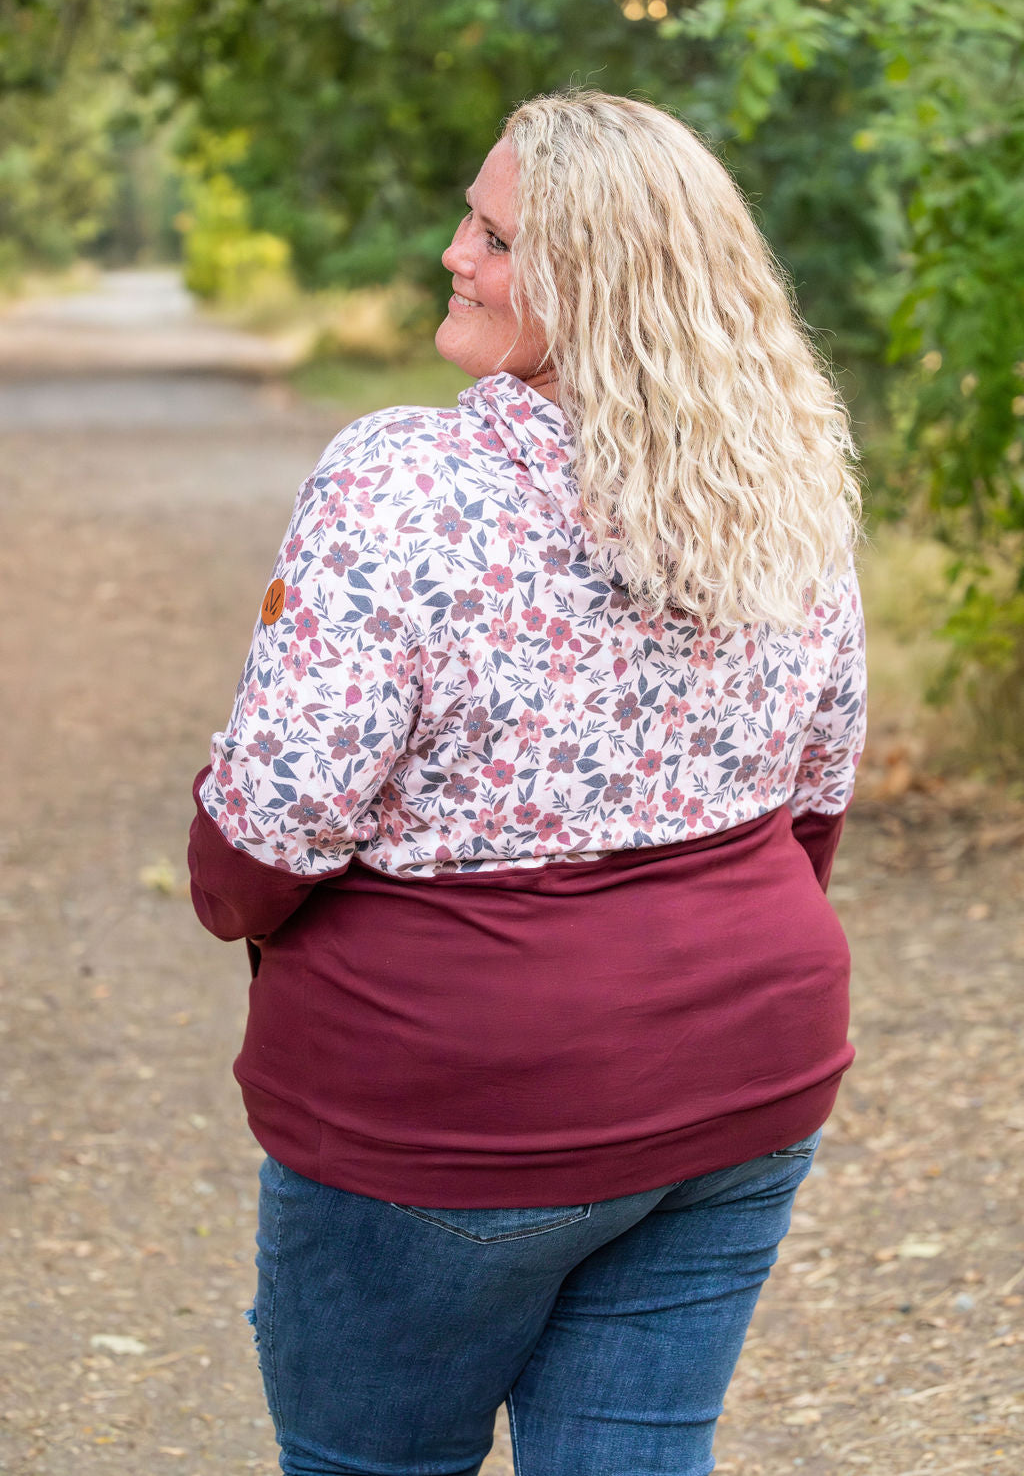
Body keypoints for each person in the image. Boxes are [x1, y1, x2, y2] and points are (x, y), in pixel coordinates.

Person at [188, 90, 866, 1476]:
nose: (454, 252)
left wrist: (230, 884)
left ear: (592, 282)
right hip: (747, 1068)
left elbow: (271, 831)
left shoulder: (404, 479)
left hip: (457, 1112)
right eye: (471, 219)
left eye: (493, 237)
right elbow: (816, 793)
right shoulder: (785, 473)